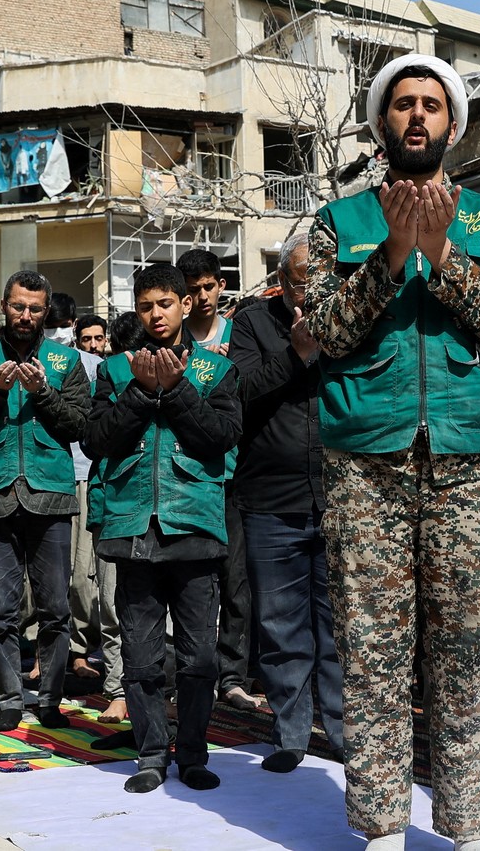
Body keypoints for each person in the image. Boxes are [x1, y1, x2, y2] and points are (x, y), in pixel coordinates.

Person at [307, 54, 480, 851]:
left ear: (453, 124)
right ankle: (379, 829)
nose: (418, 117)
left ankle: (467, 830)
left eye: (432, 105)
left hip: (467, 464)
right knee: (373, 653)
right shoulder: (342, 222)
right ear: (381, 122)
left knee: (468, 649)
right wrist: (393, 254)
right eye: (403, 105)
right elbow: (324, 333)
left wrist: (440, 255)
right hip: (367, 464)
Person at [83, 263, 244, 793]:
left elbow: (221, 436)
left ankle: (193, 752)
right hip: (134, 526)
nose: (156, 315)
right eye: (146, 305)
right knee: (141, 653)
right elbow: (96, 440)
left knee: (199, 655)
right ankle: (151, 752)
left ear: (184, 306)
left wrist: (174, 392)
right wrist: (140, 392)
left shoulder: (216, 372)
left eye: (165, 304)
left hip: (194, 524)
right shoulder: (114, 372)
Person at [0, 271, 91, 733]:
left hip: (50, 493)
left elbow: (78, 427)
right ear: (4, 307)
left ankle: (49, 699)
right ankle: (10, 698)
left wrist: (41, 392)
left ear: (46, 311)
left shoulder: (65, 360)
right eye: (17, 307)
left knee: (54, 607)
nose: (25, 316)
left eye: (34, 308)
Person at [227, 234, 345, 772]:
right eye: (303, 280)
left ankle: (346, 736)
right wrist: (298, 354)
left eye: (323, 277)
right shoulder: (253, 321)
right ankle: (291, 734)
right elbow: (241, 388)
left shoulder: (349, 315)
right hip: (271, 497)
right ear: (283, 280)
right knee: (280, 625)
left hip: (345, 495)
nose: (313, 289)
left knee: (342, 624)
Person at [178, 246, 257, 710]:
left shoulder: (239, 335)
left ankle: (234, 675)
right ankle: (197, 669)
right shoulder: (173, 341)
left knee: (236, 582)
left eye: (209, 286)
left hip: (233, 476)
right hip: (188, 479)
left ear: (221, 285)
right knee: (196, 585)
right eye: (193, 290)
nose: (203, 296)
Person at [64, 304, 126, 719]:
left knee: (118, 594)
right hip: (89, 487)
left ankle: (123, 686)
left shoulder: (121, 374)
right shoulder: (86, 373)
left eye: (99, 340)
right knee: (85, 580)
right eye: (86, 340)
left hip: (126, 493)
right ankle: (83, 657)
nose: (94, 347)